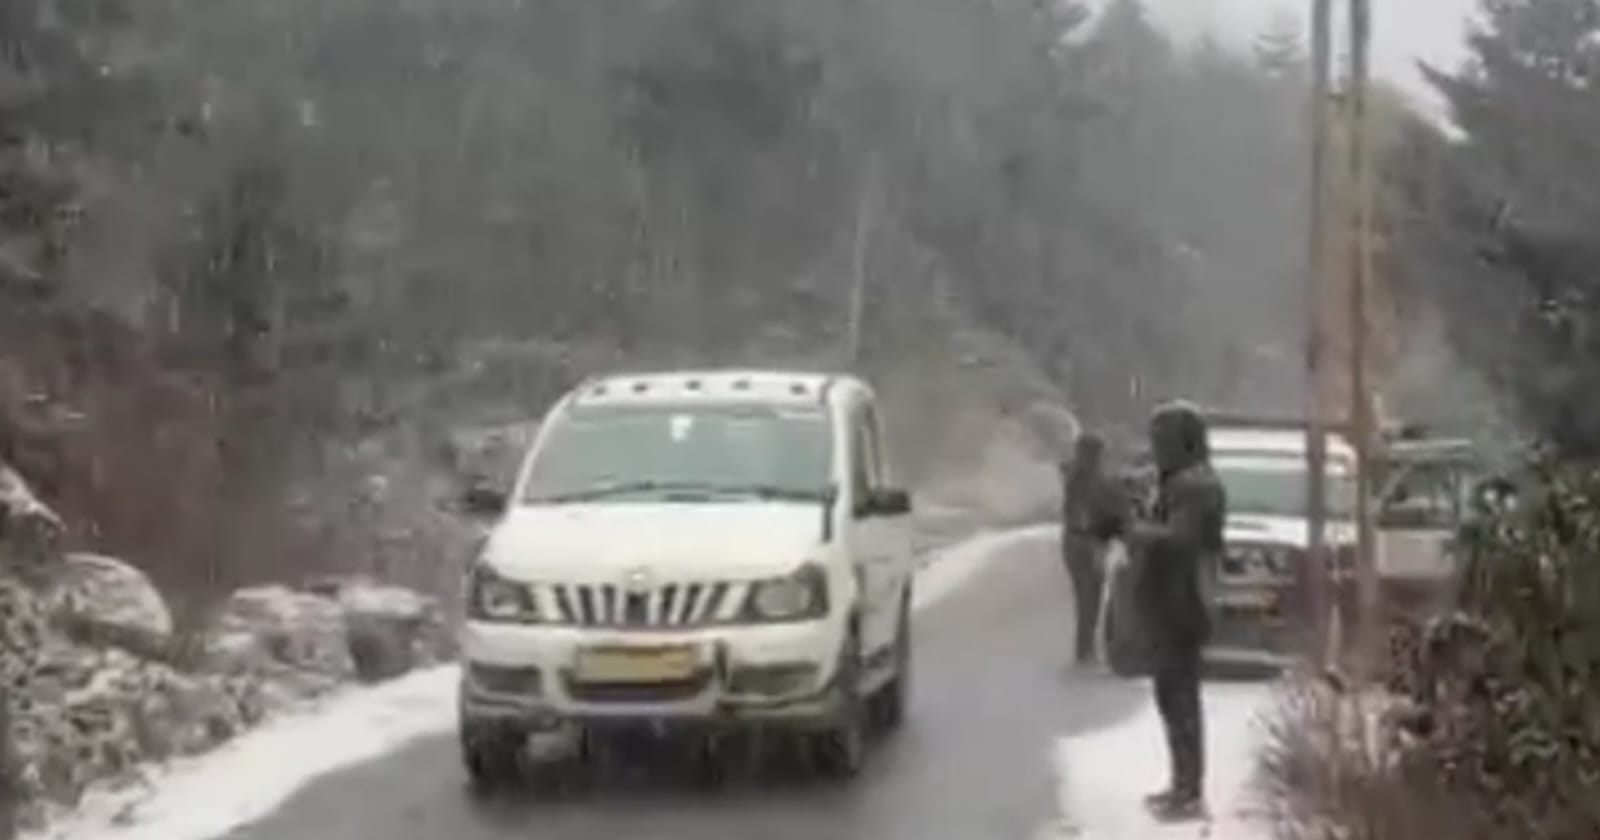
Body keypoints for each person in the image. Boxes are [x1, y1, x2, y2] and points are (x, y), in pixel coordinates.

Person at [1124, 402, 1226, 822]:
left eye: (1161, 440)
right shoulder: (1180, 482)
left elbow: (1181, 538)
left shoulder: (1196, 486)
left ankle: (1189, 790)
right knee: (1172, 697)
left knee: (1180, 699)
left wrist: (1138, 530)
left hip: (1183, 604)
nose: (1156, 449)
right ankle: (1182, 784)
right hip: (1170, 602)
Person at [1059, 432, 1126, 667]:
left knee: (1088, 598)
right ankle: (1085, 650)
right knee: (1090, 597)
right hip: (1086, 543)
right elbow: (1083, 515)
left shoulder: (1079, 477)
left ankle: (1085, 649)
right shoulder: (1084, 481)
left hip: (1079, 543)